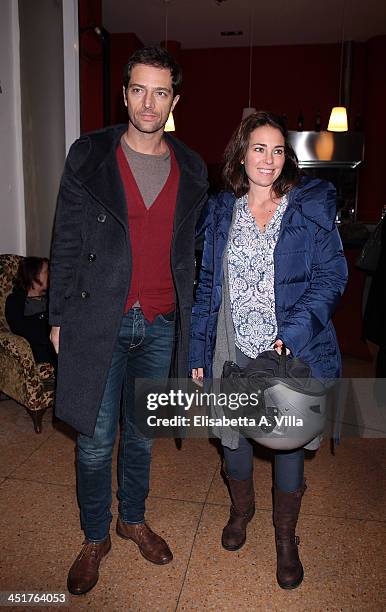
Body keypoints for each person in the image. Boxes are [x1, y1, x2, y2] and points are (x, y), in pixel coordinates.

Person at [49, 46, 207, 595]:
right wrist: (59, 315)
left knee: (141, 437)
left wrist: (196, 335)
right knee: (93, 441)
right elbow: (66, 239)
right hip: (99, 318)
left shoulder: (191, 167)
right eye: (139, 89)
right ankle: (96, 536)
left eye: (160, 92)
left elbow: (195, 253)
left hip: (161, 321)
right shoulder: (89, 155)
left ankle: (131, 519)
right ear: (124, 94)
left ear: (174, 100)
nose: (149, 101)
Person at [190, 111, 347, 589]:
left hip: (292, 352)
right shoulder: (220, 210)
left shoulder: (308, 207)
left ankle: (285, 538)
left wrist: (291, 334)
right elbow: (206, 287)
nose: (268, 159)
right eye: (259, 148)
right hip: (233, 351)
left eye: (278, 150)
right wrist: (197, 351)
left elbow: (332, 277)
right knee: (234, 445)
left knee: (288, 447)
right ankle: (242, 511)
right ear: (241, 152)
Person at [5, 257, 56, 365]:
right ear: (34, 274)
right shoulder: (15, 300)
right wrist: (43, 320)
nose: (52, 275)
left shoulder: (51, 299)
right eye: (47, 271)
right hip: (40, 351)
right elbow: (20, 328)